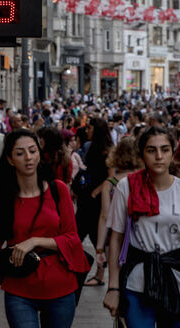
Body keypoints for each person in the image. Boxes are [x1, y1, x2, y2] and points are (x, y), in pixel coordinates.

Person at [0, 129, 89, 328]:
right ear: (10, 160)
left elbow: (72, 238)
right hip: (20, 289)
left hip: (60, 286)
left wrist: (34, 241)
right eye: (20, 153)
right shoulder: (4, 198)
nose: (28, 158)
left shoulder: (58, 190)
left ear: (39, 153)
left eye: (32, 151)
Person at [103, 126, 180, 327]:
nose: (159, 156)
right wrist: (113, 288)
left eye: (165, 149)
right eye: (151, 150)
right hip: (136, 283)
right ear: (142, 154)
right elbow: (116, 238)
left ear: (172, 153)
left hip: (179, 283)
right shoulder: (127, 186)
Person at [75, 117, 113, 286]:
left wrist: (96, 192)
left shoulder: (107, 150)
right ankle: (94, 271)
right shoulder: (90, 147)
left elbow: (111, 177)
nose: (86, 130)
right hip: (86, 199)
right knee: (82, 234)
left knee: (94, 236)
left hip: (96, 201)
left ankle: (99, 273)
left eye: (89, 127)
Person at [94, 138, 139, 276]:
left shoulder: (110, 183)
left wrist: (99, 248)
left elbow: (105, 216)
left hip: (116, 238)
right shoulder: (144, 179)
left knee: (117, 279)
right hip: (140, 237)